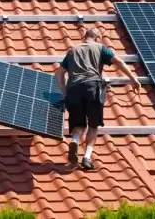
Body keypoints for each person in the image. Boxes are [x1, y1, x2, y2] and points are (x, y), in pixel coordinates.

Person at [55, 27, 141, 170]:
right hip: (92, 87)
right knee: (93, 125)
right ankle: (87, 158)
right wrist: (133, 78)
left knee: (78, 124)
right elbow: (118, 61)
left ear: (85, 37)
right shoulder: (100, 48)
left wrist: (65, 93)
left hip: (74, 89)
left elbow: (59, 74)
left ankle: (75, 140)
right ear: (97, 38)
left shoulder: (72, 51)